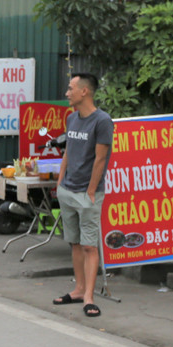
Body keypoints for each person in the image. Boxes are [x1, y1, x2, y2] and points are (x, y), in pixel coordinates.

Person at [53, 72, 113, 318]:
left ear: (84, 91)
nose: (67, 93)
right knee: (75, 243)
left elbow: (101, 159)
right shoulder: (71, 119)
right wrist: (60, 182)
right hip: (67, 191)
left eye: (70, 88)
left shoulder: (102, 121)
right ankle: (78, 289)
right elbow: (68, 151)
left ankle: (89, 297)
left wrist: (90, 191)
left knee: (89, 245)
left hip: (88, 194)